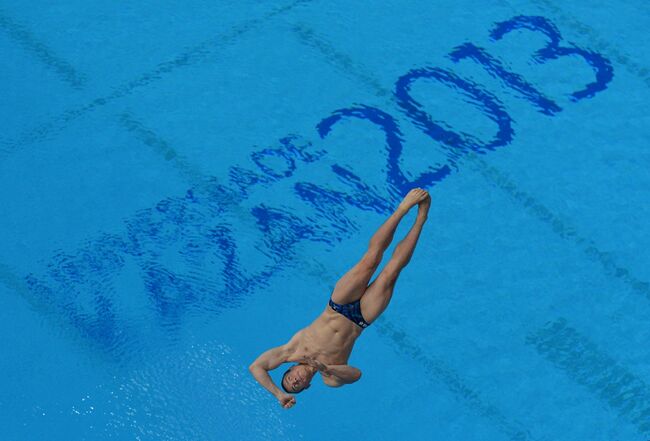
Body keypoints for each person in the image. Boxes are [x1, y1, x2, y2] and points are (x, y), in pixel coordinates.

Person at [248, 188, 431, 409]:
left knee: (370, 259)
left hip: (338, 305)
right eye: (296, 387)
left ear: (290, 368)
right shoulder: (330, 380)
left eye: (289, 379)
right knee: (392, 271)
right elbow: (356, 375)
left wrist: (279, 394)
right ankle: (421, 218)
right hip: (361, 318)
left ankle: (402, 209)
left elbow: (256, 367)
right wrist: (326, 368)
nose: (294, 382)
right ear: (306, 386)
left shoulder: (291, 351)